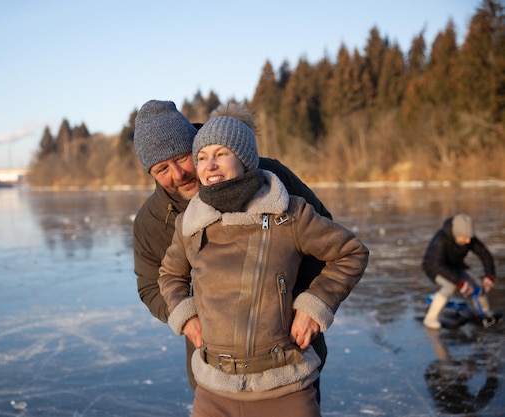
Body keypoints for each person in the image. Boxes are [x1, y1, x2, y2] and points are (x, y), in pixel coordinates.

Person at [157, 103, 369, 416]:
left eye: (221, 154)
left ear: (244, 158)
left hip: (285, 388)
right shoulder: (190, 223)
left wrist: (314, 305)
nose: (209, 165)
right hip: (214, 392)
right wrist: (185, 315)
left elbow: (350, 252)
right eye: (202, 157)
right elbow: (168, 275)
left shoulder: (289, 214)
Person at [132, 100, 332, 397]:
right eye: (162, 168)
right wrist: (187, 316)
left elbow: (329, 245)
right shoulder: (152, 221)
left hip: (289, 358)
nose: (177, 174)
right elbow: (150, 285)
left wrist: (305, 303)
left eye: (183, 157)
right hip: (215, 368)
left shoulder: (270, 179)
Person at [422, 213, 498, 329]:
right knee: (450, 286)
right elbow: (438, 266)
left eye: (470, 238)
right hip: (434, 268)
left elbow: (485, 255)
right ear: (456, 234)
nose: (468, 241)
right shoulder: (441, 240)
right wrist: (460, 282)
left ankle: (484, 313)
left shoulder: (468, 237)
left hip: (456, 266)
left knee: (477, 284)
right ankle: (430, 318)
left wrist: (489, 277)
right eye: (465, 238)